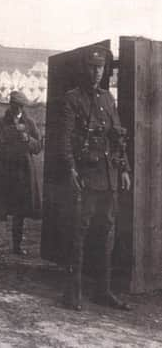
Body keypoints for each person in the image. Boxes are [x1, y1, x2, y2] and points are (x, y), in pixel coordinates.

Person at [61, 44, 131, 311]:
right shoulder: (72, 99)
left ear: (105, 71)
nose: (96, 72)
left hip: (109, 176)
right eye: (91, 67)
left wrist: (123, 168)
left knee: (106, 233)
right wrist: (70, 170)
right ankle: (72, 292)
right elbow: (64, 139)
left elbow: (118, 136)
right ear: (84, 69)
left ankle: (103, 290)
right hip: (86, 176)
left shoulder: (107, 99)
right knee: (78, 233)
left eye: (100, 68)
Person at [0, 91, 42, 255]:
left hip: (23, 173)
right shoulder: (0, 123)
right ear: (9, 105)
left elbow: (39, 147)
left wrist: (27, 139)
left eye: (20, 106)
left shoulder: (30, 123)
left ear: (23, 107)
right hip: (4, 172)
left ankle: (17, 246)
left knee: (20, 211)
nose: (17, 109)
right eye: (14, 105)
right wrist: (12, 135)